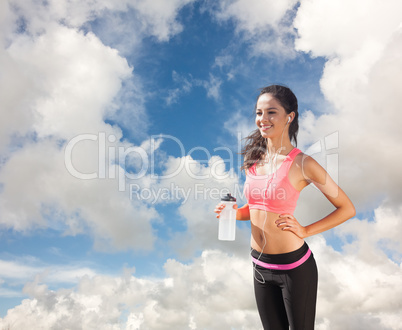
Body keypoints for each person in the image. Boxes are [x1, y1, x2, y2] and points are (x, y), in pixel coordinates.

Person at [214, 85, 356, 330]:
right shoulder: (253, 161)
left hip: (294, 268)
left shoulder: (303, 164)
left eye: (271, 112)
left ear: (289, 117)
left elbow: (347, 208)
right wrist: (235, 214)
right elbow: (256, 207)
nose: (262, 119)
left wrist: (305, 230)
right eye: (259, 113)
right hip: (259, 265)